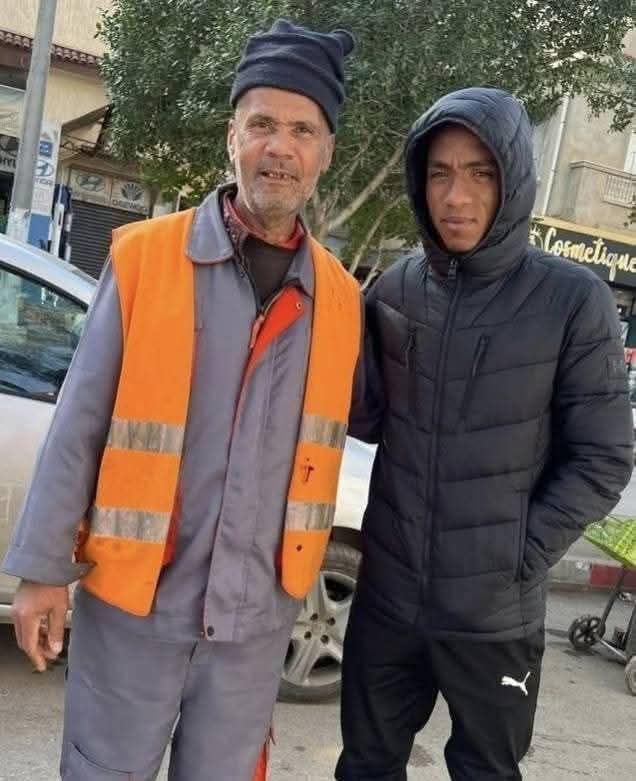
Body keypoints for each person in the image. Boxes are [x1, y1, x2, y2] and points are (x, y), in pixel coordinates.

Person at [3, 19, 360, 781]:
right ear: (233, 136)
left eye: (302, 130)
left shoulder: (341, 298)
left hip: (254, 624)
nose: (280, 147)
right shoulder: (145, 258)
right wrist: (41, 570)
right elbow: (79, 424)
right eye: (261, 124)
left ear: (325, 152)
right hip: (135, 606)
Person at [337, 87, 633, 781]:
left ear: (513, 180)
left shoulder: (572, 299)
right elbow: (365, 418)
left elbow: (603, 458)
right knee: (366, 766)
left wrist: (516, 556)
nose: (457, 196)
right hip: (389, 601)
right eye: (439, 173)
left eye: (480, 173)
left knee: (486, 772)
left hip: (495, 615)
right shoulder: (396, 289)